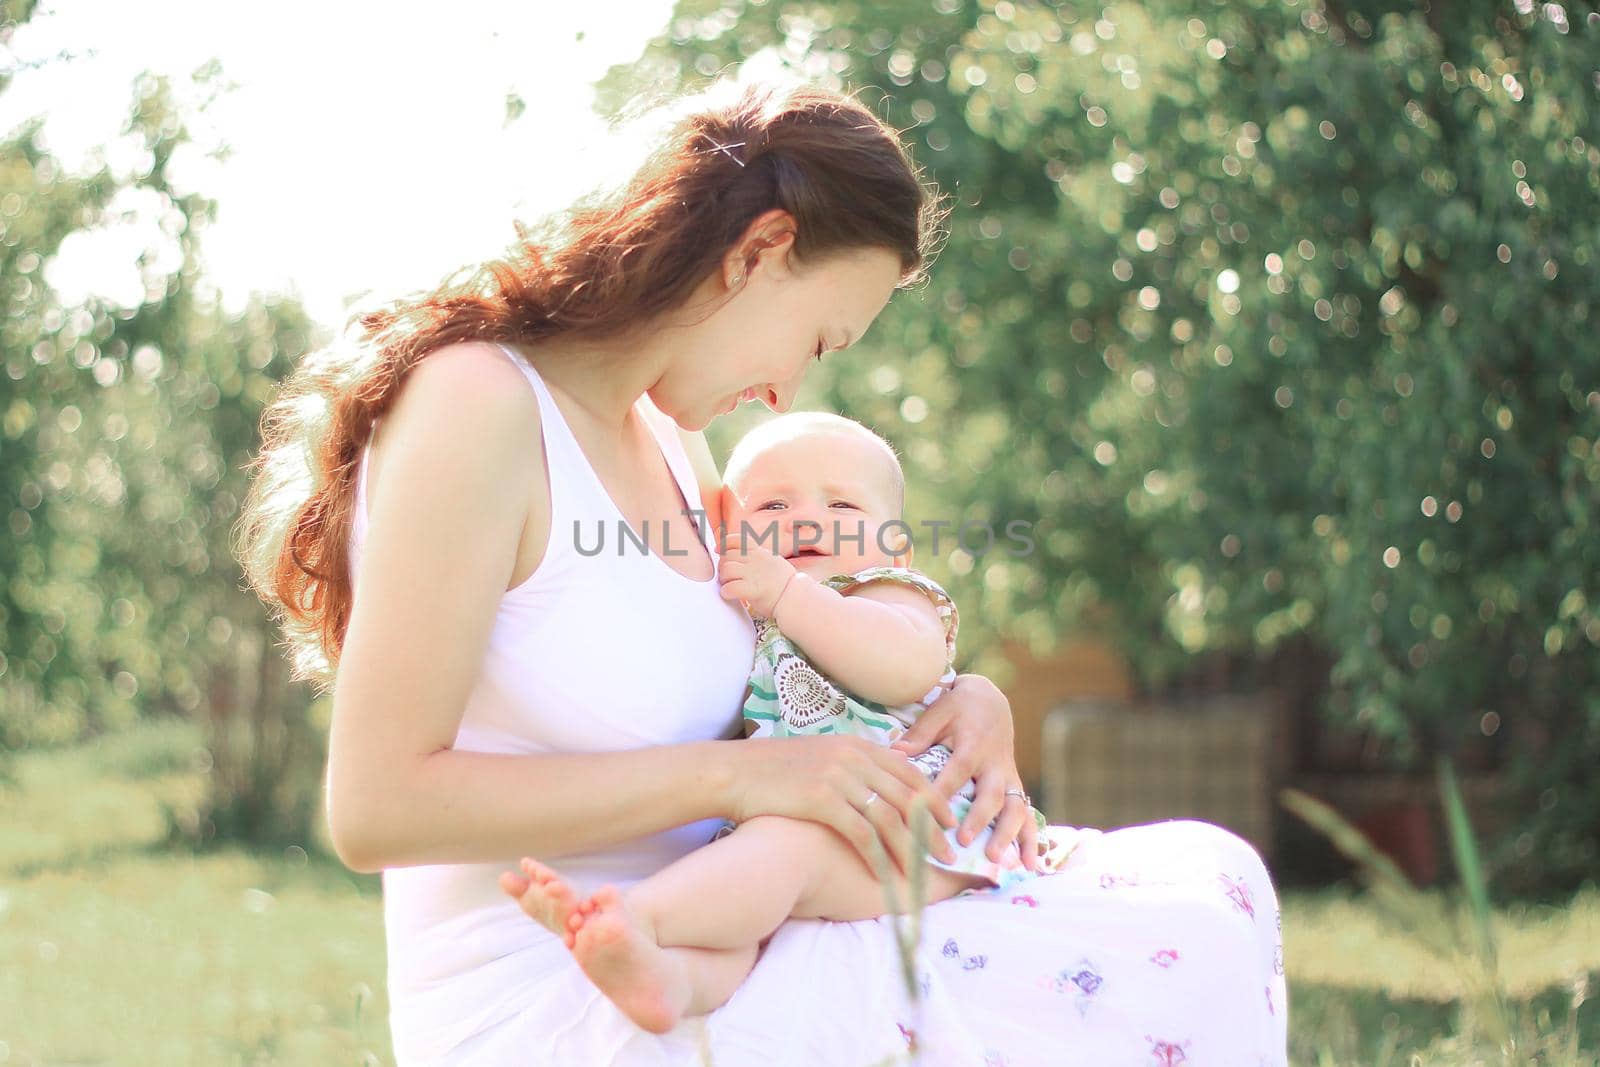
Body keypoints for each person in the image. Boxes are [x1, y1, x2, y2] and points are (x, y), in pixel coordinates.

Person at [239, 77, 1288, 1065]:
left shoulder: (667, 436)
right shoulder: (478, 405)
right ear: (759, 252)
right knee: (1163, 964)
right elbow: (376, 808)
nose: (789, 392)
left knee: (1210, 883)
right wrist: (743, 777)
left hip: (743, 928)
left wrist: (958, 701)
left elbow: (785, 674)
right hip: (564, 988)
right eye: (820, 338)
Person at [499, 412, 1085, 1035]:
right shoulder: (751, 624)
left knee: (784, 855)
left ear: (898, 546)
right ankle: (667, 980)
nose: (806, 520)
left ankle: (632, 916)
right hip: (813, 822)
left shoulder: (887, 593)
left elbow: (904, 669)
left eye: (842, 504)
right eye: (772, 505)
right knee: (746, 915)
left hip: (914, 821)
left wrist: (791, 596)